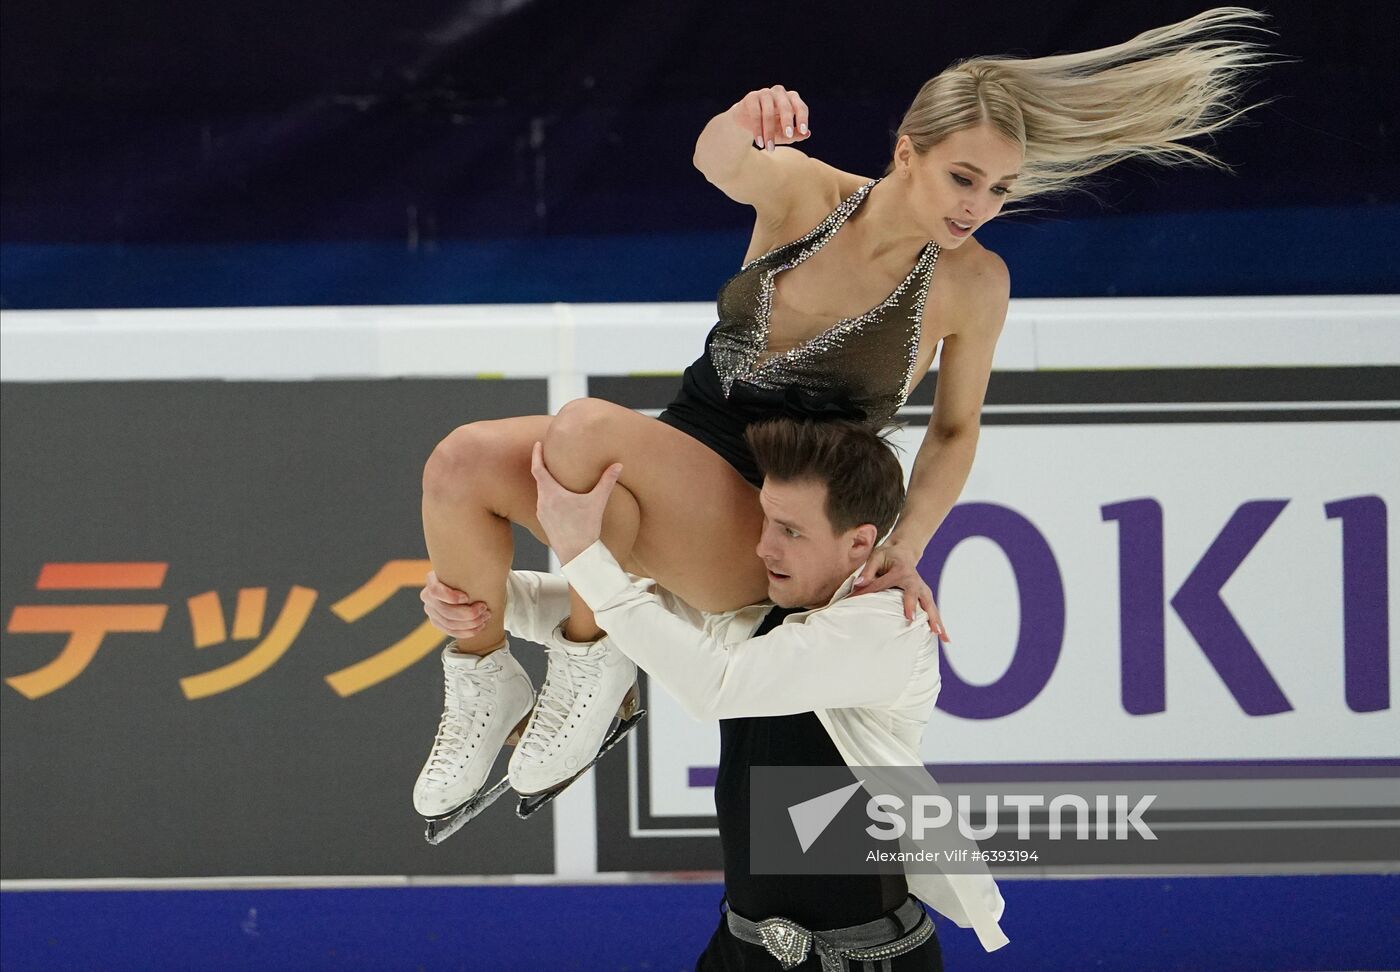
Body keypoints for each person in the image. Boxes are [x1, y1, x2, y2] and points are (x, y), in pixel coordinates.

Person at [411, 7, 1270, 844]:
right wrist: (741, 119)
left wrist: (908, 544)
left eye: (999, 189)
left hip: (769, 515)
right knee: (460, 463)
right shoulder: (804, 196)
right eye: (963, 178)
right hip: (678, 461)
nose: (979, 206)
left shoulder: (974, 284)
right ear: (908, 153)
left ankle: (593, 667)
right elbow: (717, 159)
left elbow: (954, 432)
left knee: (584, 432)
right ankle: (482, 681)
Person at [427, 417, 1002, 967]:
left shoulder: (886, 626)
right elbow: (623, 610)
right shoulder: (768, 600)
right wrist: (470, 595)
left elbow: (715, 686)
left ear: (860, 544)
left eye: (791, 532)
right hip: (742, 944)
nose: (763, 548)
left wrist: (585, 552)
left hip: (856, 959)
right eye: (767, 522)